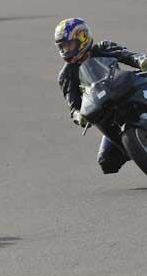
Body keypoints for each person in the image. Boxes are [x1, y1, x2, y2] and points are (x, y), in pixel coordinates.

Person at [55, 17, 147, 174]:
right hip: (105, 112)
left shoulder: (103, 47)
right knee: (107, 161)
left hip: (123, 90)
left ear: (82, 38)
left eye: (69, 44)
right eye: (62, 46)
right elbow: (73, 106)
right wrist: (78, 116)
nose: (66, 50)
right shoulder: (66, 75)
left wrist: (141, 60)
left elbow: (128, 55)